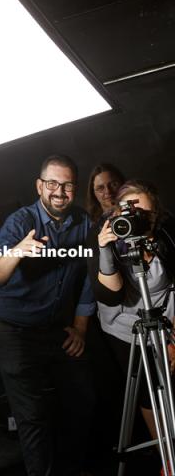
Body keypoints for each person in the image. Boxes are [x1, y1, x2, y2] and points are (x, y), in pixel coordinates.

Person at [0, 154, 96, 476]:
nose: (59, 192)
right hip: (12, 331)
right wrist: (17, 252)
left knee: (82, 400)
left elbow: (89, 277)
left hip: (53, 327)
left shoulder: (84, 222)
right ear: (39, 185)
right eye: (52, 184)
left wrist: (80, 327)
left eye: (68, 185)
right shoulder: (19, 222)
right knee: (32, 416)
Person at [86, 179, 175, 443]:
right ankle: (165, 455)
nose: (136, 219)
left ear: (155, 215)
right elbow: (110, 296)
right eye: (130, 212)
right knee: (149, 391)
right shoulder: (105, 234)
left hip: (167, 319)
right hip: (126, 326)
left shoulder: (166, 235)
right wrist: (105, 249)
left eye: (144, 214)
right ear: (117, 212)